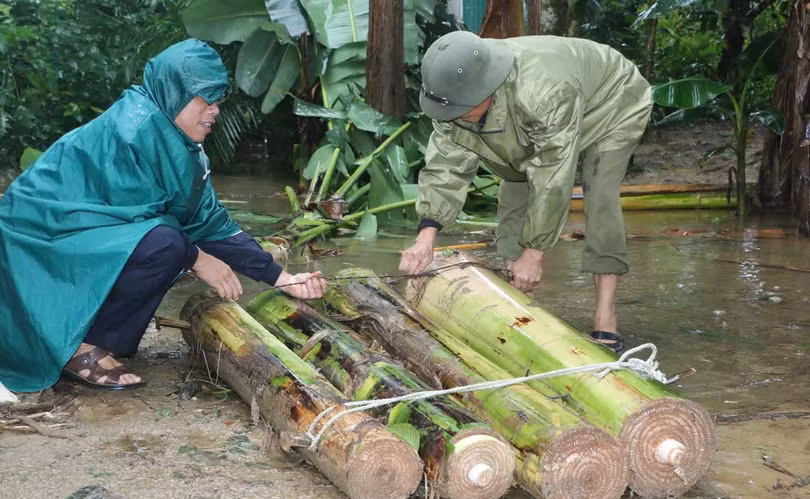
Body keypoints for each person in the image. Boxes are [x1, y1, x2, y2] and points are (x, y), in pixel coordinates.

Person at [0, 39, 327, 393]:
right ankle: (78, 348)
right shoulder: (132, 131)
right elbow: (138, 226)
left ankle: (93, 338)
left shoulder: (179, 141)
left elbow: (208, 222)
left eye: (218, 98)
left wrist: (281, 277)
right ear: (173, 93)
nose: (216, 110)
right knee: (166, 246)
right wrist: (199, 259)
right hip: (35, 242)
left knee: (172, 245)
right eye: (205, 99)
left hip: (77, 241)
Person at [399, 31, 653, 354]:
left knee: (599, 187)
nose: (452, 119)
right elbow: (444, 166)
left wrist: (534, 253)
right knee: (515, 177)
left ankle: (606, 313)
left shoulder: (543, 91)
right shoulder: (450, 98)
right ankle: (519, 303)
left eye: (460, 111)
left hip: (612, 102)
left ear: (484, 91)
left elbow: (551, 175)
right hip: (541, 115)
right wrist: (425, 239)